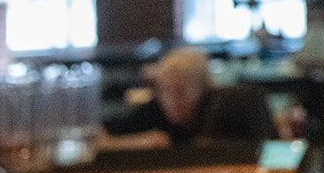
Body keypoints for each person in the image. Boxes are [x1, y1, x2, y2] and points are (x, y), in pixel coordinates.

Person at [104, 46, 276, 146]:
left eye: (180, 91)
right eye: (165, 90)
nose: (171, 100)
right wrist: (140, 143)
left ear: (204, 87)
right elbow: (102, 138)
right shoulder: (155, 109)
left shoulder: (225, 109)